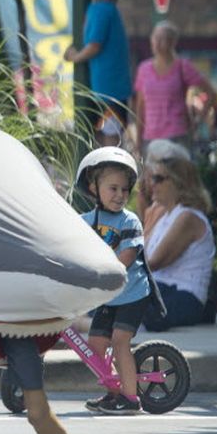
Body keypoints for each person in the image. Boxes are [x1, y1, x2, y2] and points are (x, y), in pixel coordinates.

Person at [74, 147, 151, 415]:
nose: (120, 195)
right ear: (94, 188)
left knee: (120, 340)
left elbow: (128, 255)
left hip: (132, 293)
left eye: (124, 190)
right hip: (109, 296)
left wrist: (109, 270)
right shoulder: (85, 221)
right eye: (113, 188)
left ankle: (130, 399)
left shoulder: (130, 220)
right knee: (96, 344)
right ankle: (113, 392)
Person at [141, 153, 216, 331]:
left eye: (158, 178)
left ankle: (84, 327)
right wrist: (150, 219)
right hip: (162, 288)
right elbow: (141, 254)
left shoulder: (187, 217)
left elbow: (152, 263)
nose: (152, 184)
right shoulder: (165, 213)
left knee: (125, 305)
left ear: (179, 183)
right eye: (152, 178)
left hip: (185, 296)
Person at [64, 0, 132, 139]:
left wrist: (75, 57)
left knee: (109, 138)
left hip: (109, 88)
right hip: (105, 86)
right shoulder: (100, 8)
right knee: (104, 135)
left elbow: (95, 45)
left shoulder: (102, 10)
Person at [131, 20, 217, 156]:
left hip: (177, 135)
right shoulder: (143, 69)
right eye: (155, 38)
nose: (157, 43)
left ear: (172, 42)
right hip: (150, 137)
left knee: (178, 176)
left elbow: (211, 93)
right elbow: (140, 106)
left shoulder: (183, 66)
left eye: (162, 39)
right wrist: (138, 141)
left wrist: (199, 119)